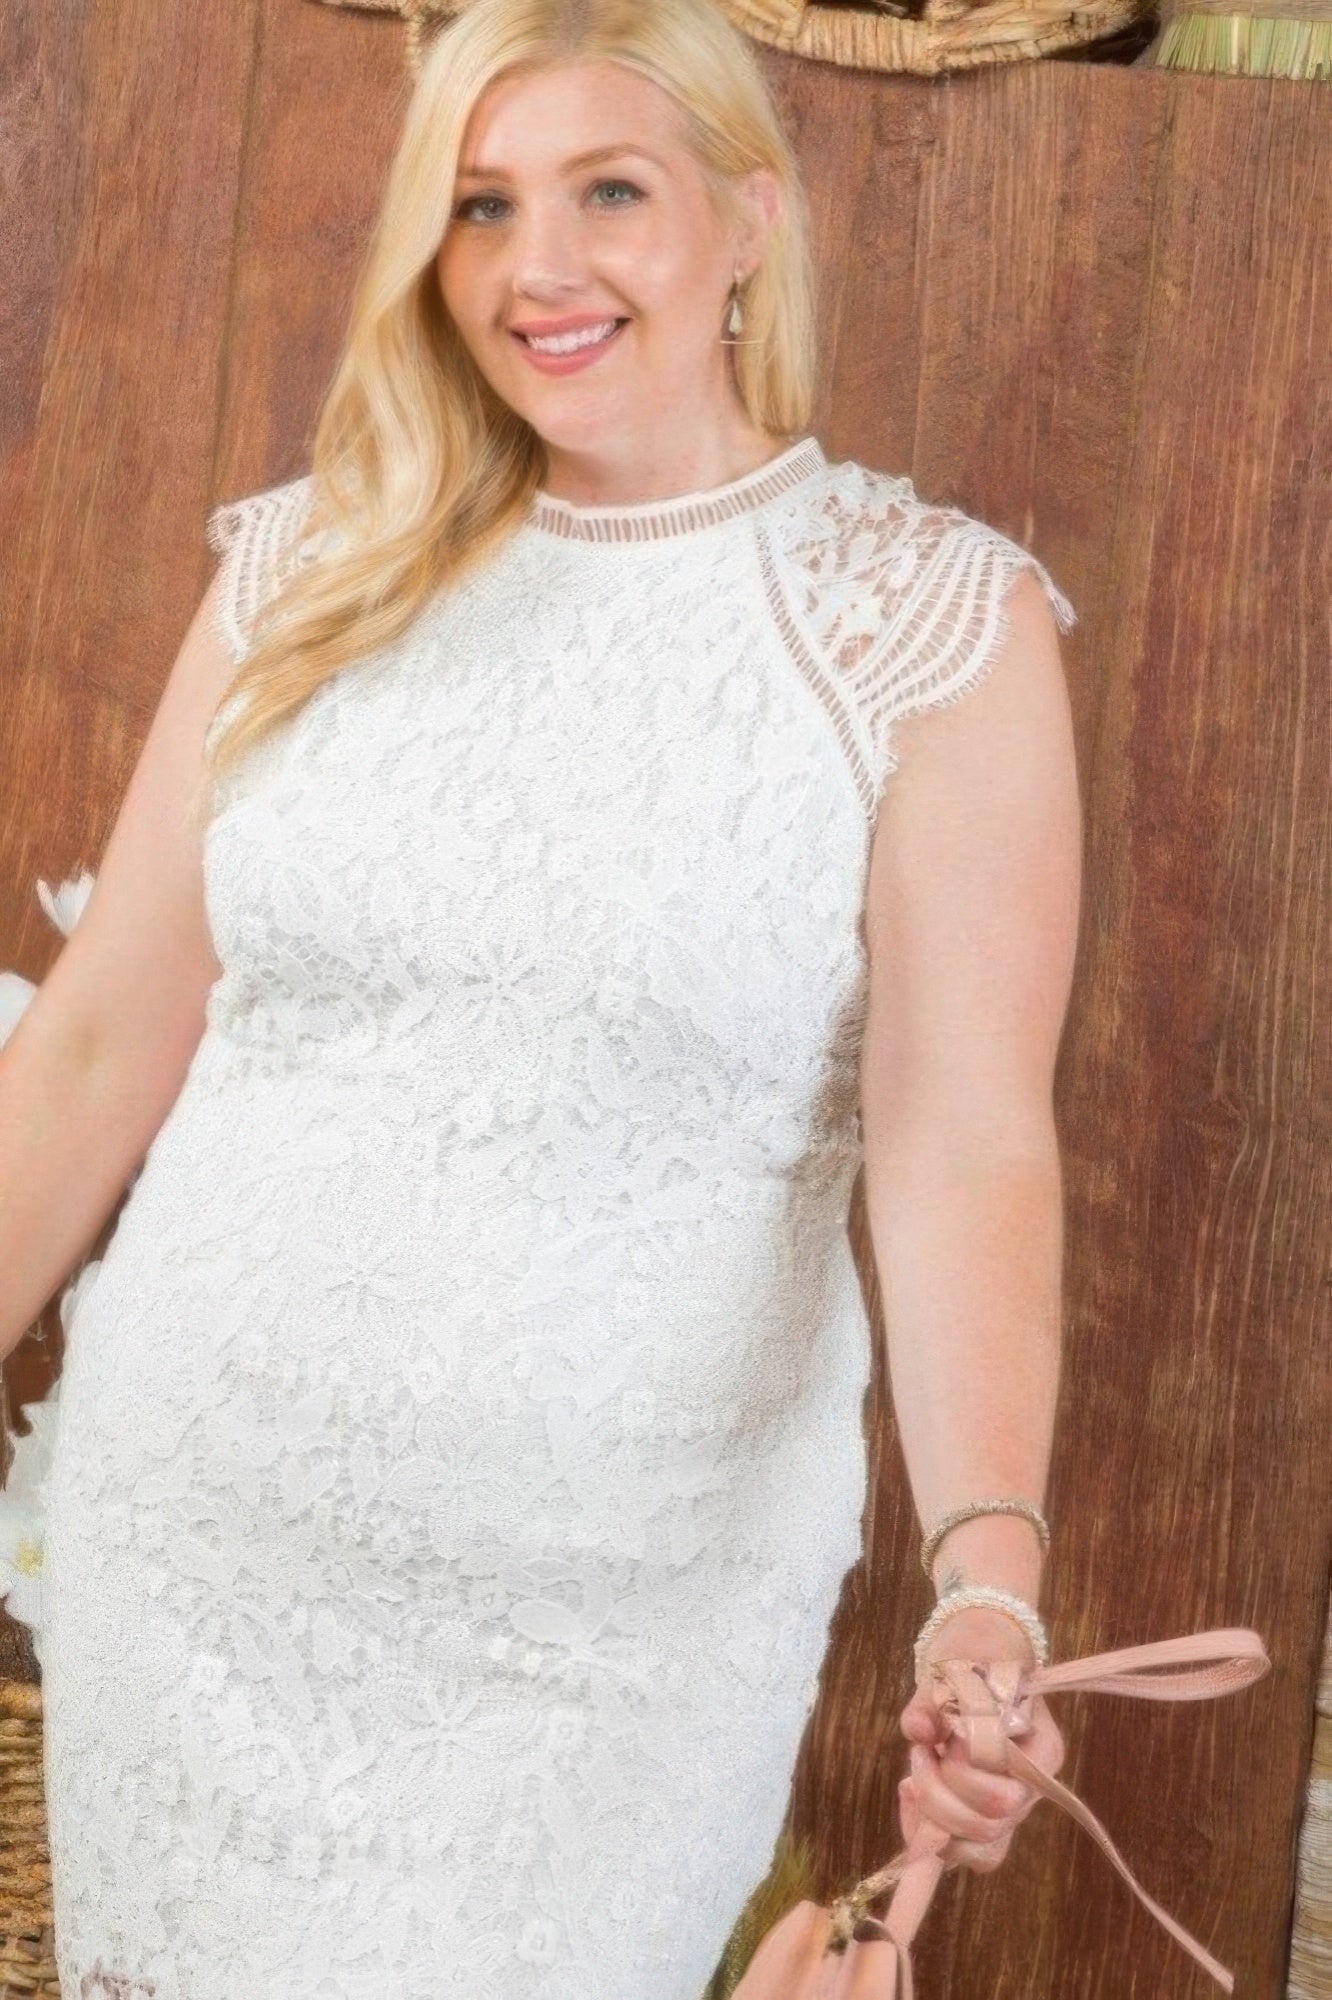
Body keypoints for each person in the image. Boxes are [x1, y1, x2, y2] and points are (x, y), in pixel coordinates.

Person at [0, 0, 1082, 1993]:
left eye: (611, 192)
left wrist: (986, 1585)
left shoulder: (925, 622)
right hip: (200, 1552)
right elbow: (94, 1038)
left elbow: (963, 1146)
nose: (539, 267)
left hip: (612, 1636)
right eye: (482, 205)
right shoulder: (306, 571)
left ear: (748, 218)